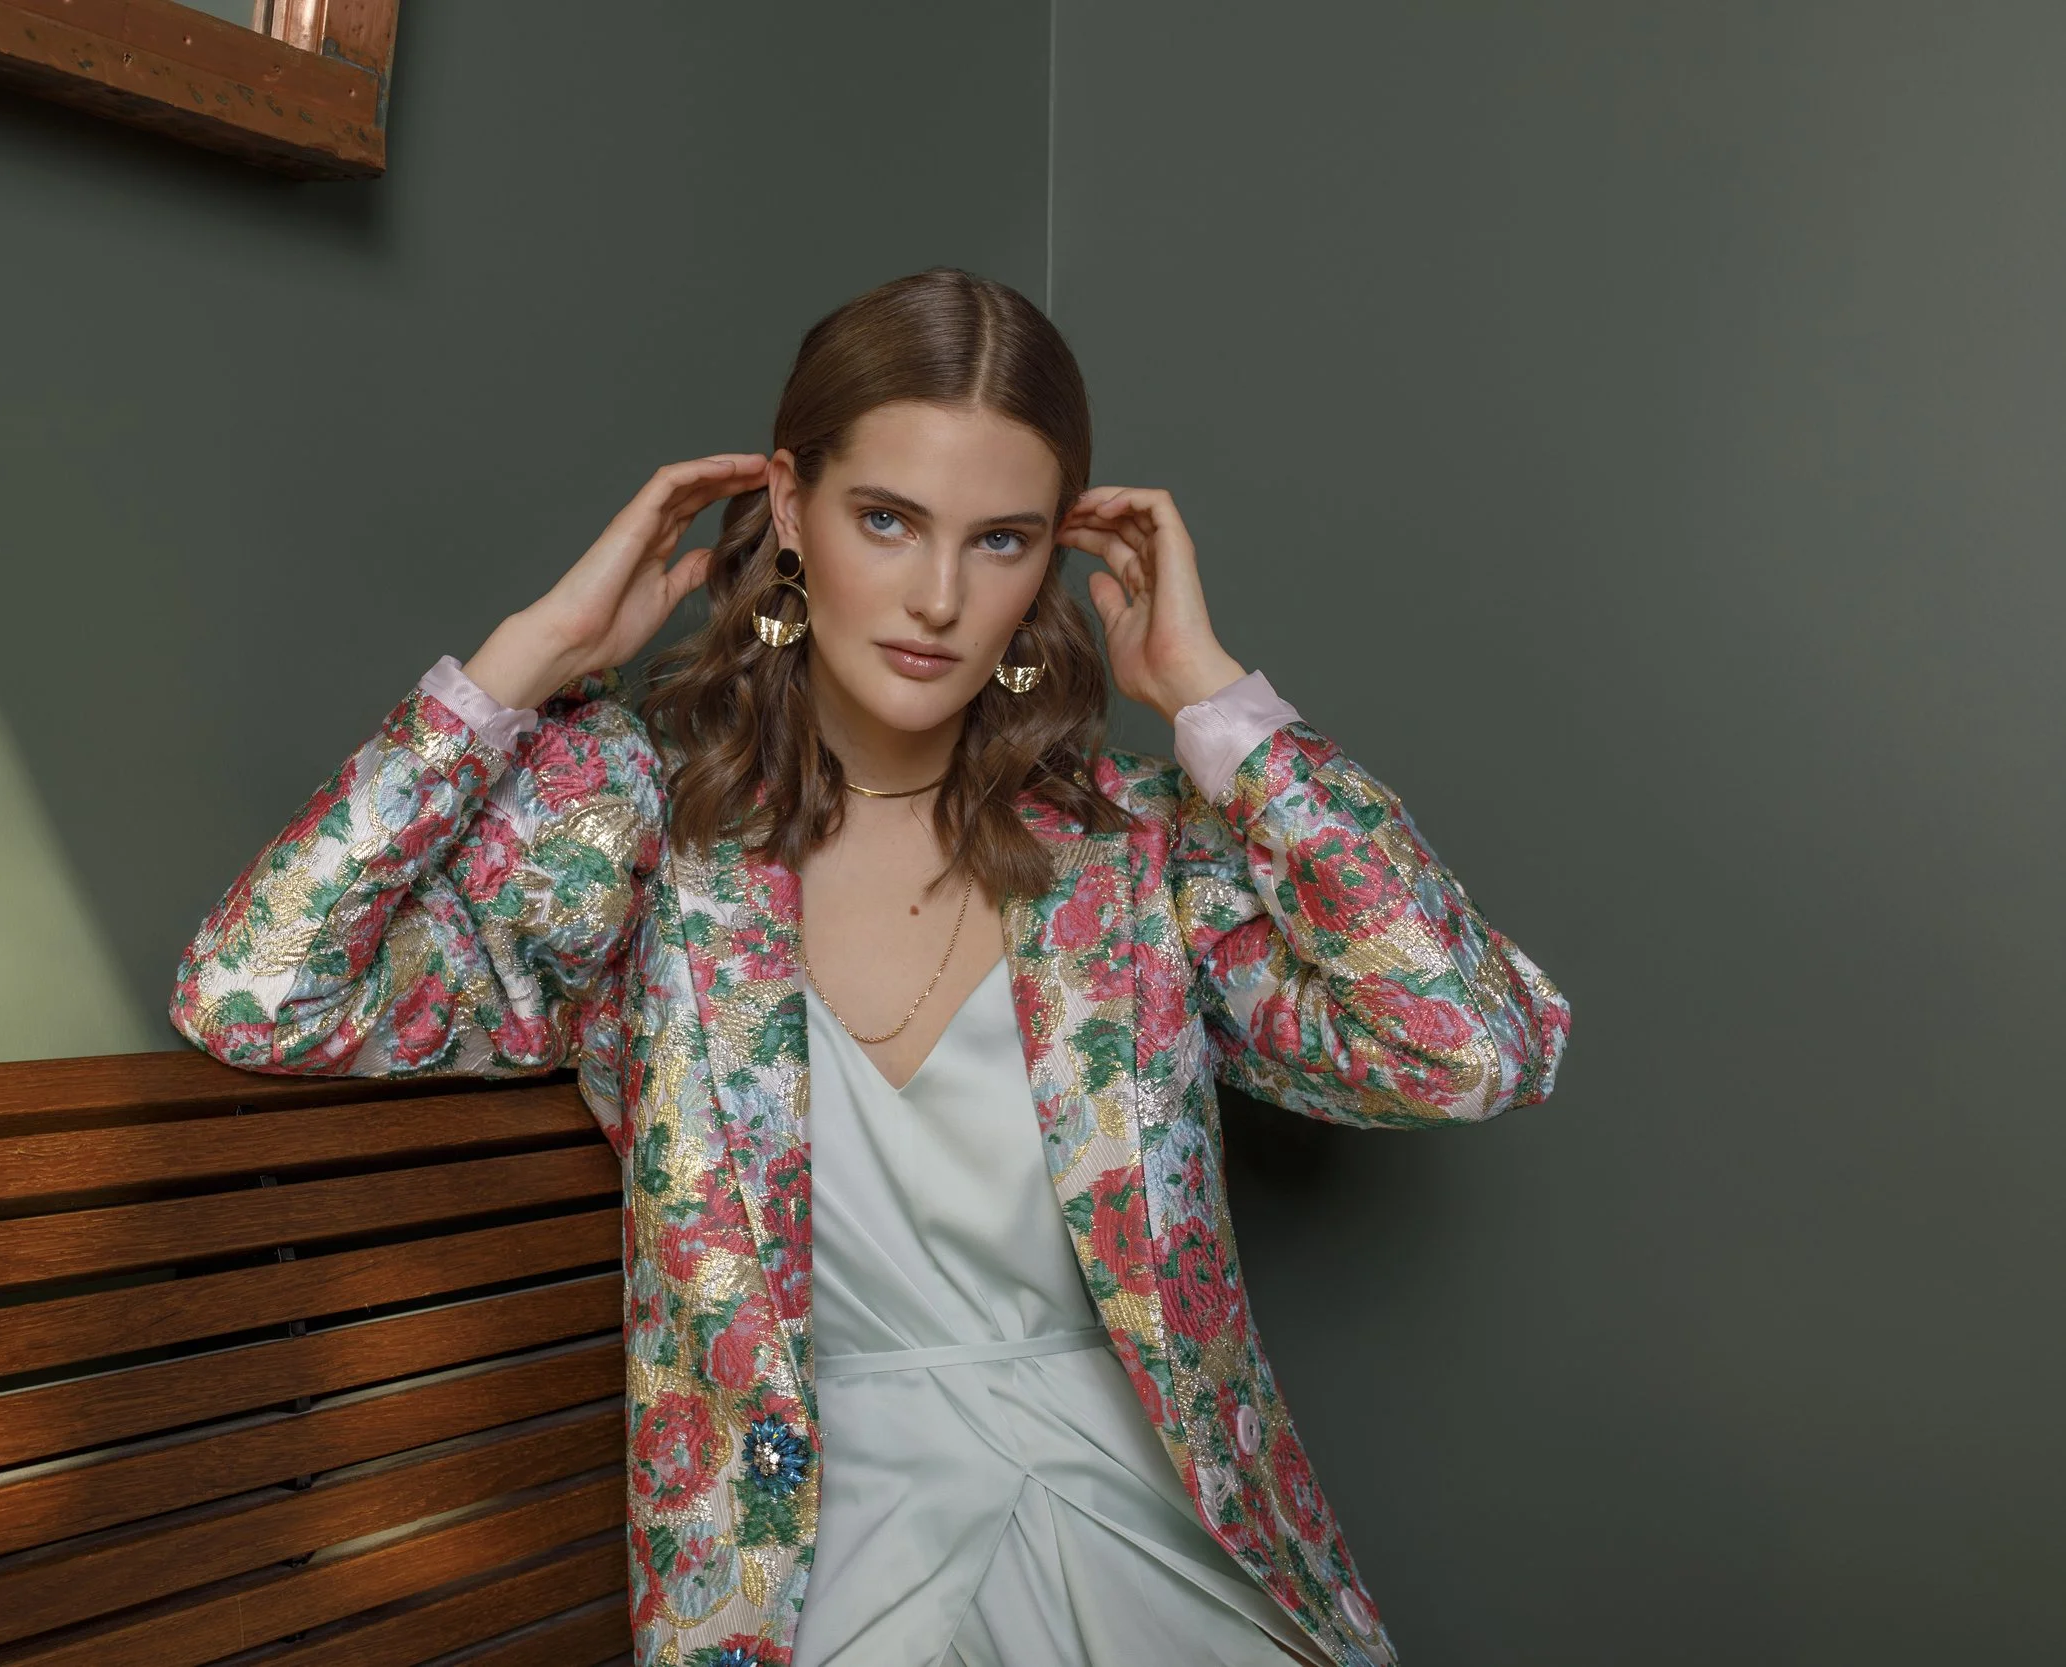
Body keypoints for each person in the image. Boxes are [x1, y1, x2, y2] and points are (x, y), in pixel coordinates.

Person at [170, 268, 1571, 1667]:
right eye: (886, 520)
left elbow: (1469, 1049)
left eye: (1003, 539)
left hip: (1156, 1537)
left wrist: (1216, 703)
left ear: (1052, 560)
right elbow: (254, 988)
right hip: (807, 1567)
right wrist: (525, 663)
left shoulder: (1131, 854)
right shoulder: (641, 828)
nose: (941, 597)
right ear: (790, 506)